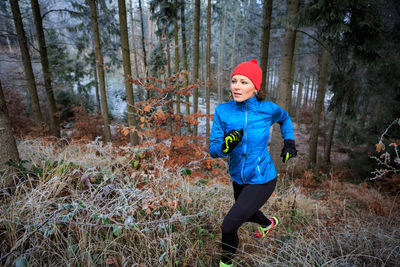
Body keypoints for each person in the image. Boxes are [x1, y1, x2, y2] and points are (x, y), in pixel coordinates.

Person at [209, 59, 297, 267]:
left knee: (229, 226)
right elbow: (213, 149)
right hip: (238, 177)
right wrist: (226, 146)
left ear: (255, 88)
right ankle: (268, 224)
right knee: (246, 213)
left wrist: (290, 141)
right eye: (234, 81)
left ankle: (226, 264)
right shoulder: (223, 111)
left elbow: (284, 118)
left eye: (244, 82)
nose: (237, 87)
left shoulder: (267, 109)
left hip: (263, 178)